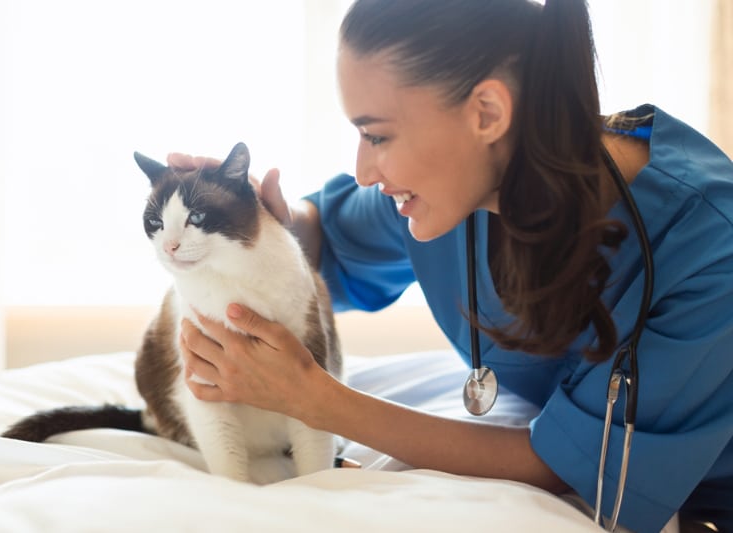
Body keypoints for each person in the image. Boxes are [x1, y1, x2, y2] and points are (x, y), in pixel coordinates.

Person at [168, 1, 733, 531]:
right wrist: (255, 220)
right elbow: (326, 237)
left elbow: (573, 465)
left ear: (487, 112)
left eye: (377, 135)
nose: (364, 170)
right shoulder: (462, 182)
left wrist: (315, 400)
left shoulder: (706, 246)